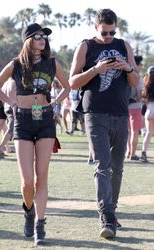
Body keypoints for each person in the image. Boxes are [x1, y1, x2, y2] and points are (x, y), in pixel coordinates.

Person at [0, 23, 70, 245]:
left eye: (44, 36)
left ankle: (40, 225)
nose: (42, 39)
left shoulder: (52, 63)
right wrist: (11, 102)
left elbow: (67, 87)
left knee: (41, 176)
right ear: (28, 40)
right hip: (23, 121)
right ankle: (28, 211)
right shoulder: (16, 65)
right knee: (27, 182)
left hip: (45, 121)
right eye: (37, 36)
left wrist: (56, 101)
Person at [69, 9, 139, 238]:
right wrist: (95, 70)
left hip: (120, 114)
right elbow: (72, 82)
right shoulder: (86, 46)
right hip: (95, 114)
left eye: (112, 32)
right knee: (103, 165)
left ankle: (112, 211)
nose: (109, 36)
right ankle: (106, 215)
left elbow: (135, 80)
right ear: (95, 27)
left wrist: (127, 67)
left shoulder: (123, 45)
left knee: (118, 169)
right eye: (104, 32)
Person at [126, 55, 144, 160]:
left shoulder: (125, 74)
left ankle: (128, 152)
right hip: (135, 107)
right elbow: (138, 95)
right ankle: (133, 154)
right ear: (136, 64)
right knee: (135, 131)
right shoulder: (137, 76)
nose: (141, 66)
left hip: (124, 106)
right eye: (141, 64)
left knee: (128, 131)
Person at [140, 66, 154, 162]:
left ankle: (143, 154)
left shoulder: (146, 84)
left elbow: (143, 98)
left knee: (148, 133)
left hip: (149, 111)